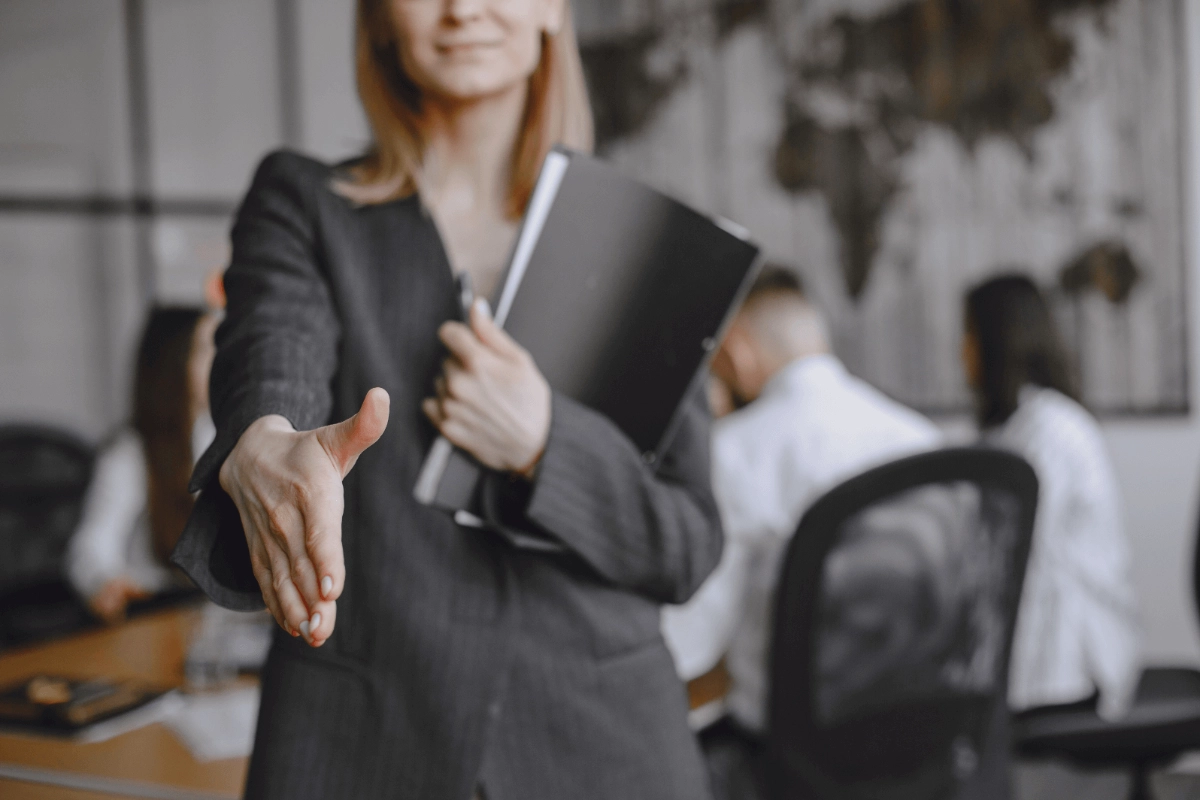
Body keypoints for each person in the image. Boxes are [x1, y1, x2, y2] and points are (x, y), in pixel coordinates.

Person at [169, 2, 721, 799]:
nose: (463, 8)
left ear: (551, 9)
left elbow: (686, 543)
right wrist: (264, 435)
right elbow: (273, 345)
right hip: (365, 747)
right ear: (379, 18)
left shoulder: (647, 238)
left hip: (604, 751)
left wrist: (546, 443)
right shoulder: (307, 204)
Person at [660, 266, 941, 798]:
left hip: (781, 765)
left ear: (736, 352)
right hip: (923, 747)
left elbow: (691, 647)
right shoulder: (922, 440)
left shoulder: (736, 452)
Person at [962, 274, 1140, 720]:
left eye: (968, 335)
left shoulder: (1051, 430)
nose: (961, 352)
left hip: (1068, 662)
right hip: (1038, 651)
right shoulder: (1012, 431)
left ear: (997, 341)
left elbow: (1015, 558)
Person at [66, 307, 218, 623]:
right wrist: (105, 581)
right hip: (158, 613)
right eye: (205, 350)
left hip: (215, 615)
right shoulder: (131, 453)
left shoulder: (221, 437)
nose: (220, 360)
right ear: (173, 363)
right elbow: (91, 549)